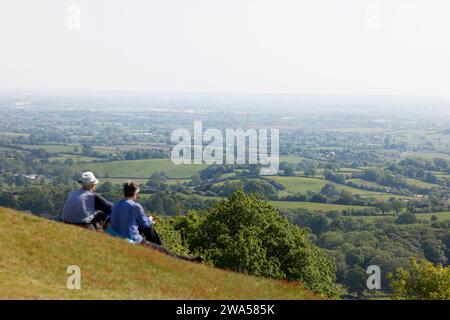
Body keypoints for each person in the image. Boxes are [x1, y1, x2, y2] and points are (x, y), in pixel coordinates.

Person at [109, 181, 202, 263]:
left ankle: (186, 259)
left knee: (158, 245)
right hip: (131, 238)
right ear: (135, 193)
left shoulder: (116, 205)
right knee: (163, 250)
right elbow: (145, 224)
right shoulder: (135, 206)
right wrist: (150, 219)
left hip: (116, 235)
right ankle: (187, 260)